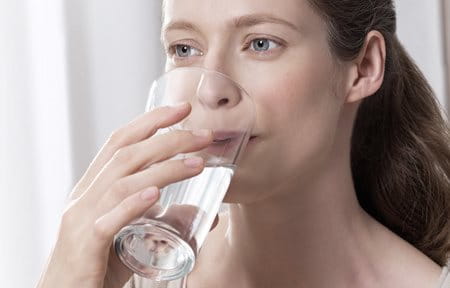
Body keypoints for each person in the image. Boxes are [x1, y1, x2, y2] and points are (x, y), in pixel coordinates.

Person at [37, 0, 450, 287]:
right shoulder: (130, 273)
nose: (209, 88)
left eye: (260, 43)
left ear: (363, 67)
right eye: (185, 48)